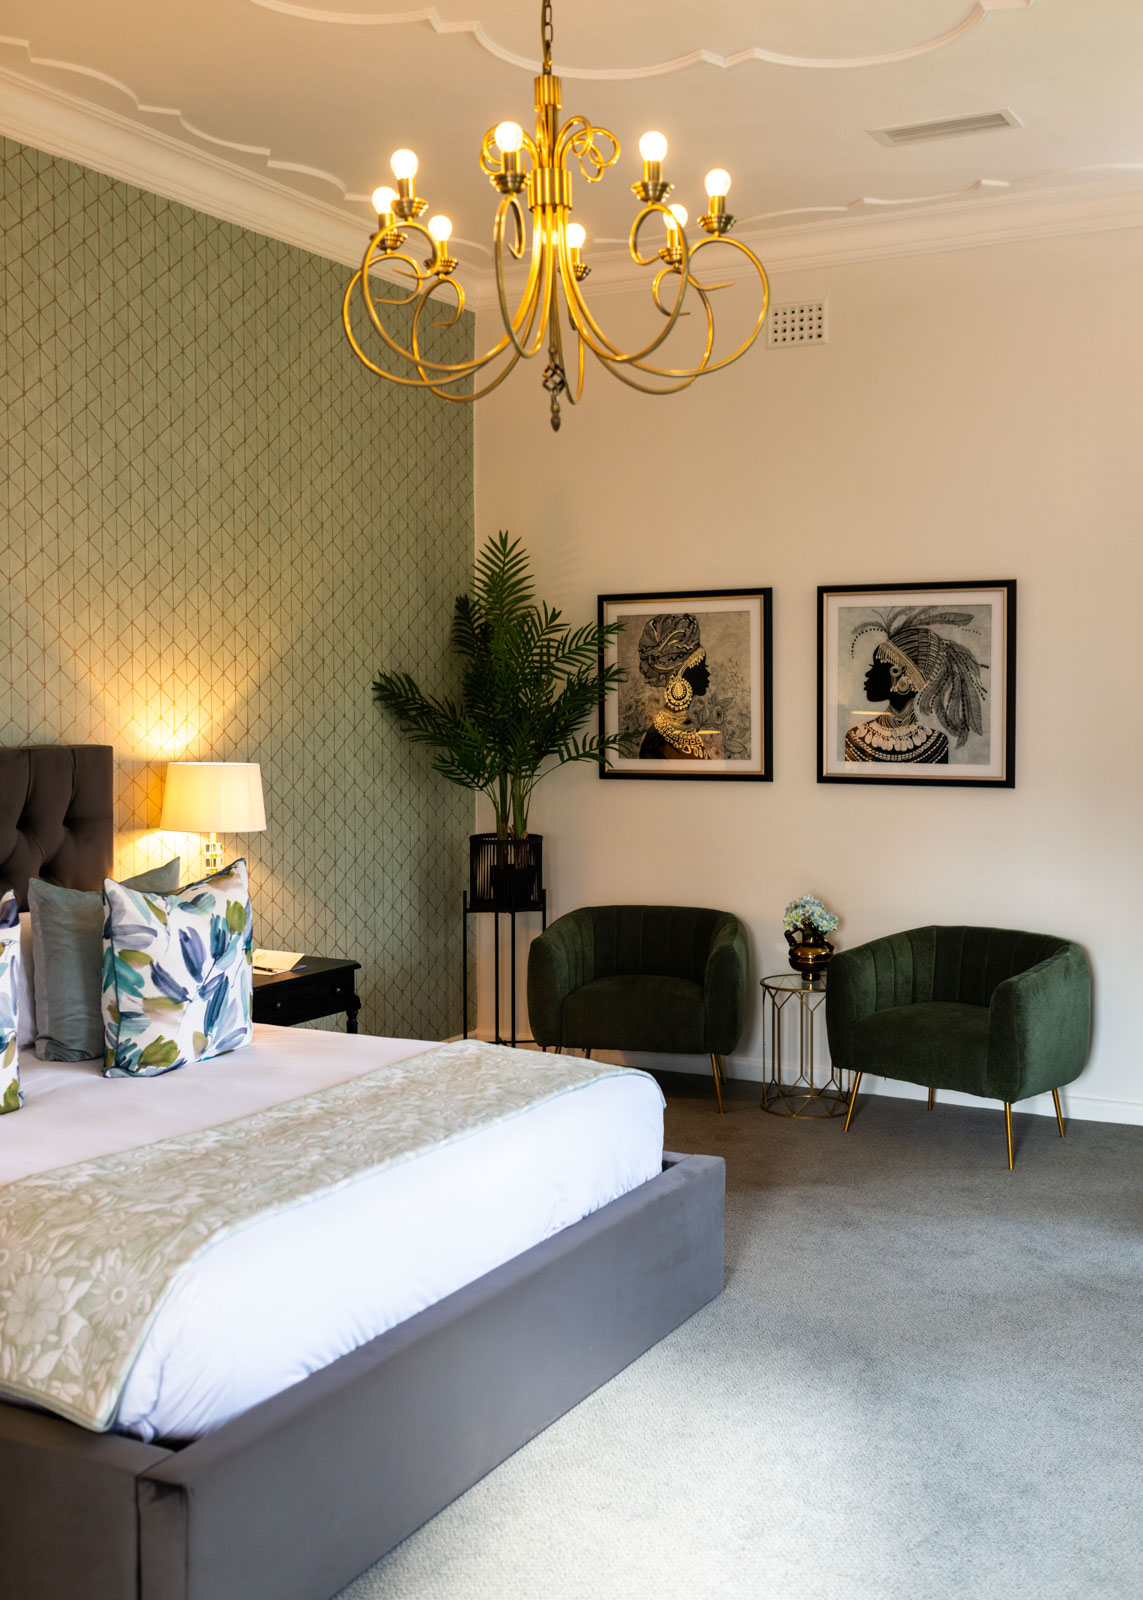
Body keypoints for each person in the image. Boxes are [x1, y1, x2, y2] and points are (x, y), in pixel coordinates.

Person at [845, 606, 986, 765]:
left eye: (876, 666)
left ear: (899, 676)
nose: (868, 674)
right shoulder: (856, 738)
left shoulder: (937, 744)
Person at [635, 613, 724, 761]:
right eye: (701, 666)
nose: (707, 673)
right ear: (682, 674)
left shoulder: (687, 727)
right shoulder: (657, 743)